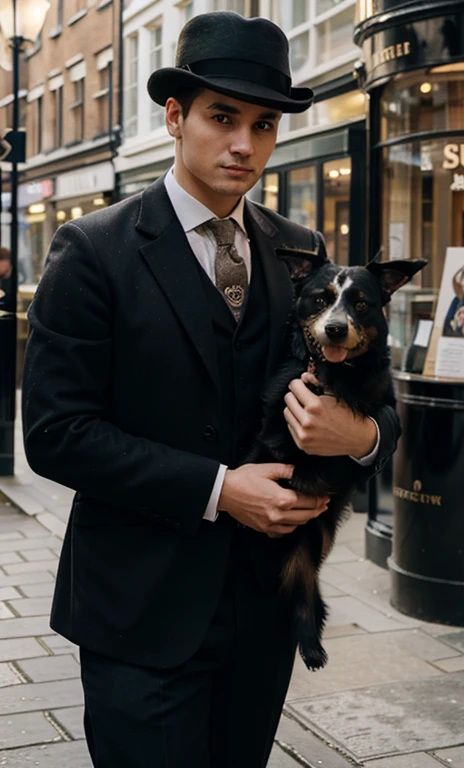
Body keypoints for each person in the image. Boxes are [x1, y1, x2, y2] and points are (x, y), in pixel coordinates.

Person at [22, 12, 400, 768]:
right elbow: (56, 434)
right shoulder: (93, 249)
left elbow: (374, 398)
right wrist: (220, 489)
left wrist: (361, 437)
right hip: (141, 611)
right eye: (223, 118)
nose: (244, 145)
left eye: (264, 125)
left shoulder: (300, 250)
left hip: (265, 608)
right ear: (174, 116)